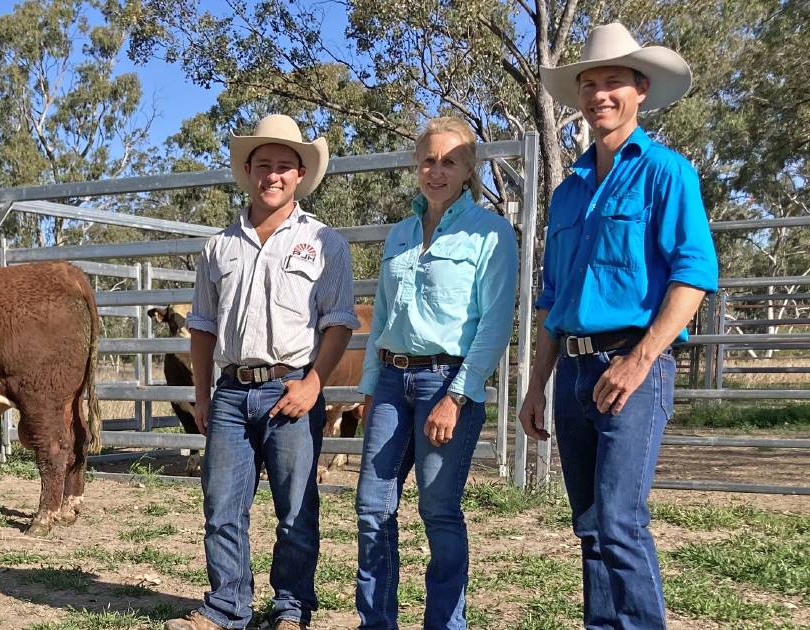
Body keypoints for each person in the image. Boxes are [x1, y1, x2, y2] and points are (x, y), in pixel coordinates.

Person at [520, 22, 719, 629]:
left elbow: (693, 276)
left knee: (619, 520)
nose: (599, 95)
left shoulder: (666, 173)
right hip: (574, 370)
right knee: (591, 524)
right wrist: (535, 385)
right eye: (589, 84)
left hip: (634, 364)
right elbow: (553, 299)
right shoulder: (570, 191)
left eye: (613, 83)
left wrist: (639, 361)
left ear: (639, 90)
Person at [164, 114, 360, 630]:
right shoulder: (218, 247)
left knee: (296, 509)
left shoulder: (324, 242)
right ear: (248, 171)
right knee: (222, 506)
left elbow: (338, 321)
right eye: (263, 165)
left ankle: (292, 609)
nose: (273, 175)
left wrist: (315, 382)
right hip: (230, 392)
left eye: (284, 166)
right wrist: (202, 395)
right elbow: (202, 327)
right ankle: (226, 606)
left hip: (290, 386)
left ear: (300, 174)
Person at [354, 116, 519, 629]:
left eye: (450, 161)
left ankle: (446, 624)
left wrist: (459, 394)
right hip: (390, 381)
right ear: (416, 165)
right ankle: (376, 622)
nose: (437, 170)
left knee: (438, 507)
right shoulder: (400, 234)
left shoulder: (489, 234)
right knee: (370, 507)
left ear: (470, 169)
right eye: (428, 159)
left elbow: (495, 323)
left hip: (446, 383)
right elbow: (380, 315)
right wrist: (367, 389)